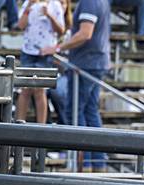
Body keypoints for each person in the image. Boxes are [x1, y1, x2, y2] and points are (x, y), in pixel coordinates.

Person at [41, 0, 110, 171]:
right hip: (95, 62)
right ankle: (96, 163)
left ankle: (83, 164)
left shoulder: (89, 2)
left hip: (85, 65)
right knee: (90, 112)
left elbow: (85, 33)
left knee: (75, 111)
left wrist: (57, 47)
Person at [16, 0, 65, 124]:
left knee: (40, 90)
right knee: (25, 89)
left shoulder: (55, 5)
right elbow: (21, 25)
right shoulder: (28, 3)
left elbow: (61, 30)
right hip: (28, 51)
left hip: (45, 53)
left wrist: (49, 15)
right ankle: (19, 125)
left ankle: (40, 127)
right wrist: (28, 7)